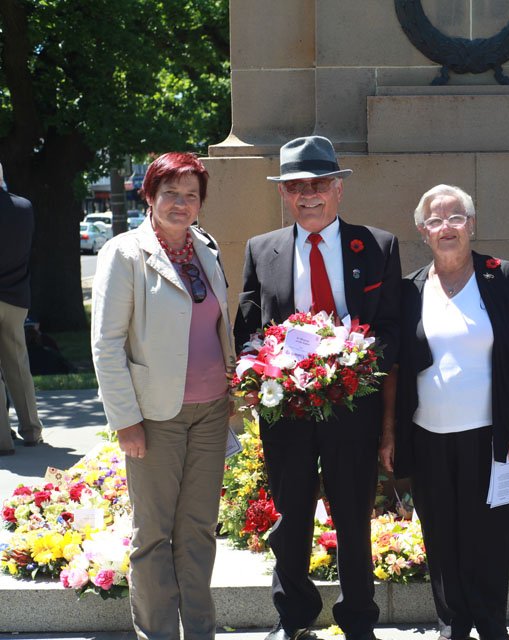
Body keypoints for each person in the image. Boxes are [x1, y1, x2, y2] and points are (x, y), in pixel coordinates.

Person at [234, 136, 401, 640]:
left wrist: (352, 356)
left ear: (338, 189)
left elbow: (392, 326)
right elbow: (247, 330)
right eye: (296, 186)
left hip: (353, 405)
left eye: (319, 184)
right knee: (290, 515)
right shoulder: (262, 250)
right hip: (286, 410)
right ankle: (294, 616)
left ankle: (358, 621)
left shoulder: (378, 246)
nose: (308, 194)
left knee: (353, 514)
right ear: (284, 193)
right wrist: (263, 370)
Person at [379, 185, 509, 640]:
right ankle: (452, 624)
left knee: (491, 532)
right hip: (427, 433)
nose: (446, 227)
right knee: (441, 532)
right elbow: (393, 368)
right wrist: (390, 432)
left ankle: (491, 624)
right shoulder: (410, 289)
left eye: (456, 218)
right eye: (435, 220)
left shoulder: (500, 278)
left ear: (472, 225)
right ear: (422, 231)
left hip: (490, 433)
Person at [90, 152, 235, 639]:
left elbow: (218, 325)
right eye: (170, 192)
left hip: (212, 411)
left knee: (198, 531)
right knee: (153, 535)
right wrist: (125, 419)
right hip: (155, 417)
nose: (181, 203)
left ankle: (199, 632)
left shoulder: (206, 248)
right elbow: (107, 344)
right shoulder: (124, 254)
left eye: (191, 195)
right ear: (149, 195)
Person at [0, 161, 45, 456]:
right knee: (18, 364)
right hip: (15, 296)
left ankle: (3, 441)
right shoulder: (24, 207)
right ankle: (31, 431)